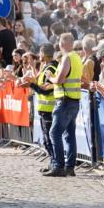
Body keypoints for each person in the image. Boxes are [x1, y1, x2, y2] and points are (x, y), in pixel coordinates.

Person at [44, 33, 84, 177]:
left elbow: (60, 79)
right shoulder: (76, 57)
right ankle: (69, 167)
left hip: (65, 100)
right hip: (73, 100)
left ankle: (59, 166)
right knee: (69, 135)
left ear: (63, 43)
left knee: (54, 133)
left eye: (60, 42)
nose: (59, 45)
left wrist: (50, 78)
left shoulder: (68, 57)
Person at [25, 43, 57, 163]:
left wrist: (31, 85)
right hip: (45, 109)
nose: (39, 55)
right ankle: (53, 163)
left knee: (49, 139)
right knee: (47, 139)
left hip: (49, 109)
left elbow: (46, 90)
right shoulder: (47, 67)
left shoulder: (50, 69)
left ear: (44, 54)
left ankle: (55, 163)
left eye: (40, 53)